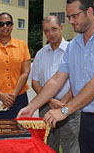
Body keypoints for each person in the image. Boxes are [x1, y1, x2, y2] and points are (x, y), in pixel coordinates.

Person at [17, 0, 94, 153]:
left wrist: (64, 110)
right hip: (87, 119)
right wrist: (32, 107)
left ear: (89, 12)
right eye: (68, 17)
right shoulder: (74, 45)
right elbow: (57, 79)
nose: (71, 21)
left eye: (74, 16)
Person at [30, 15, 80, 153]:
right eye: (46, 31)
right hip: (46, 106)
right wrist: (50, 101)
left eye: (54, 29)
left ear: (61, 28)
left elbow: (78, 81)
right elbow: (35, 82)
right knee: (47, 145)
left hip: (69, 105)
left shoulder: (73, 50)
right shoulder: (40, 54)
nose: (50, 34)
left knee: (70, 146)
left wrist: (63, 103)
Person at [0, 12, 31, 119]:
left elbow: (25, 72)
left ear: (12, 25)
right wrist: (0, 94)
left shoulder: (22, 45)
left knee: (19, 132)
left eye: (8, 23)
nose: (5, 27)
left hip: (19, 98)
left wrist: (13, 95)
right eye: (1, 24)